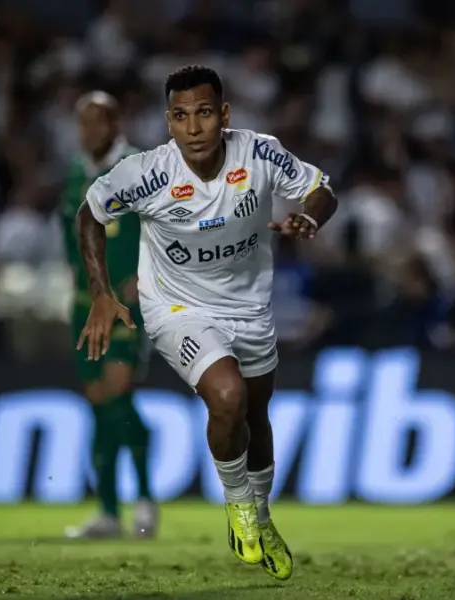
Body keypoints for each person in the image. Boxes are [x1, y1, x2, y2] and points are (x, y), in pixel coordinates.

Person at [75, 65, 338, 580]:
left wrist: (311, 216)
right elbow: (90, 212)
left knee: (256, 416)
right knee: (228, 396)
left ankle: (261, 519)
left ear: (224, 115)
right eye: (179, 116)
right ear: (168, 123)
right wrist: (102, 293)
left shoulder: (259, 152)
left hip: (250, 308)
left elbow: (320, 188)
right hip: (177, 308)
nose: (193, 127)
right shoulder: (148, 173)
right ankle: (238, 507)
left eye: (202, 113)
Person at [59, 91, 158, 539]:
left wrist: (149, 274)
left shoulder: (139, 168)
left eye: (97, 122)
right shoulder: (77, 172)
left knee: (117, 391)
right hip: (84, 303)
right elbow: (70, 236)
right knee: (100, 400)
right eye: (83, 124)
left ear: (115, 124)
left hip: (126, 304)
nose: (89, 132)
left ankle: (142, 498)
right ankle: (108, 511)